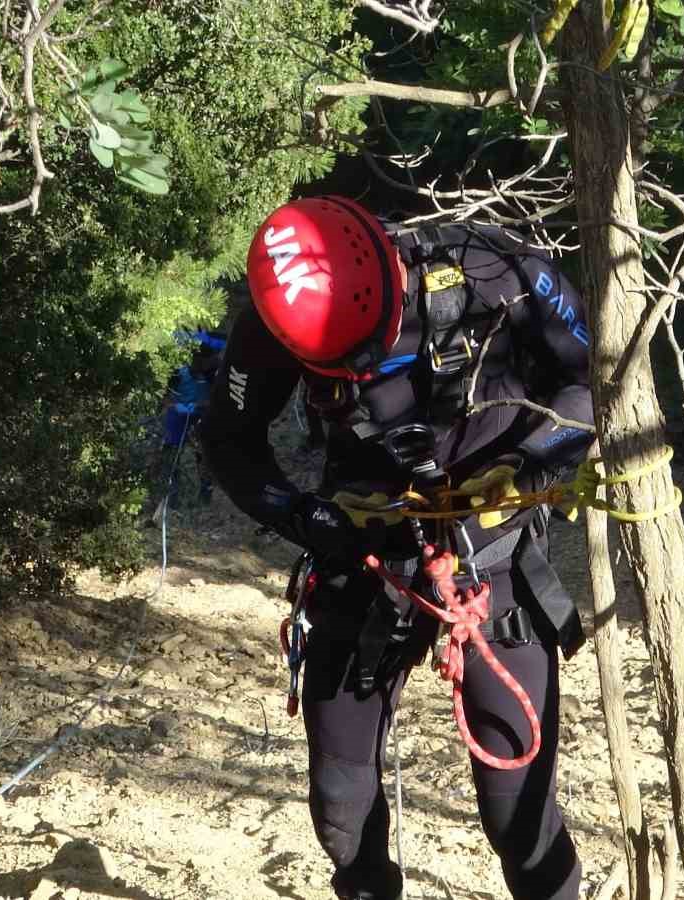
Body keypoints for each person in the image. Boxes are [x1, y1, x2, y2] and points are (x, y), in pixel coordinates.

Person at [202, 196, 594, 900]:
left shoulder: (493, 267)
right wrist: (305, 517)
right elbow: (231, 440)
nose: (356, 374)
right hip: (364, 559)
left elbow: (590, 381)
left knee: (519, 816)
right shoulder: (272, 323)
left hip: (489, 563)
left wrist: (532, 469)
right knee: (341, 815)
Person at [154, 331, 224, 509]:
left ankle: (206, 490)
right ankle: (171, 494)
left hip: (202, 414)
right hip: (178, 414)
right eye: (197, 360)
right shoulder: (177, 369)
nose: (200, 365)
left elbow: (221, 397)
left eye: (207, 360)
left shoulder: (215, 370)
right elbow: (163, 395)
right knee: (171, 452)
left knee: (204, 451)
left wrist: (205, 406)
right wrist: (176, 406)